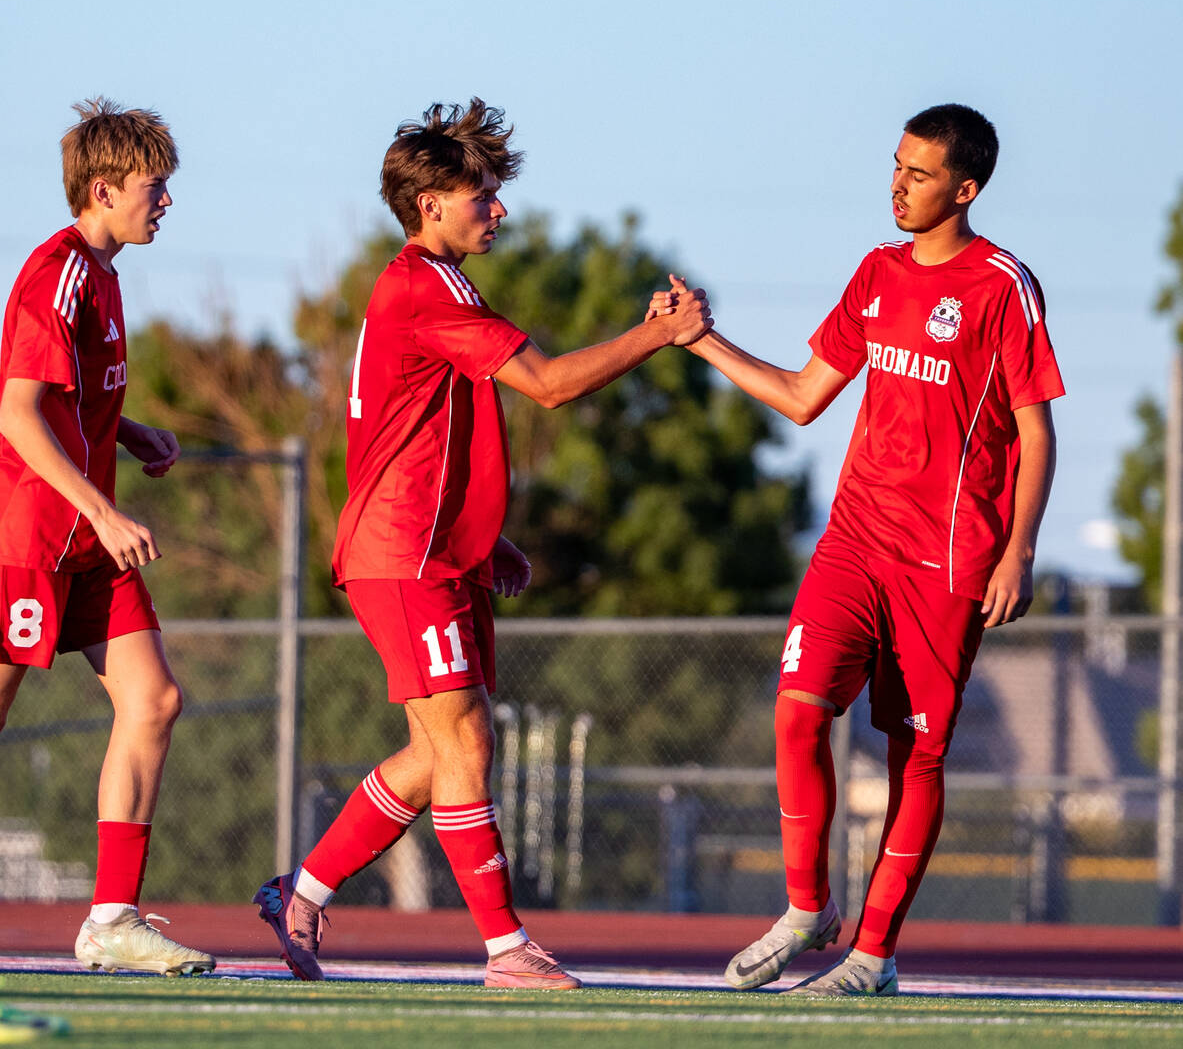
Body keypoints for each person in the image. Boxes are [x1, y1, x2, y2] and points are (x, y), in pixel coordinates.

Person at [254, 98, 711, 988]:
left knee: (439, 754)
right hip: (403, 553)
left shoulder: (436, 284)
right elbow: (543, 385)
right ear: (431, 203)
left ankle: (301, 892)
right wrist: (658, 334)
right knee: (463, 742)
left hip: (431, 547)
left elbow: (425, 424)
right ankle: (507, 949)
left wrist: (481, 533)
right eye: (483, 196)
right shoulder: (426, 285)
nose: (497, 210)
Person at [659, 104, 1062, 996]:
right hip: (853, 542)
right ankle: (808, 908)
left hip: (948, 562)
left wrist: (1017, 551)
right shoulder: (875, 274)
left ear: (965, 189)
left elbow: (1036, 435)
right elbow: (805, 396)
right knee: (798, 707)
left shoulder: (1002, 286)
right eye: (894, 166)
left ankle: (872, 955)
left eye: (918, 175)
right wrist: (701, 340)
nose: (897, 185)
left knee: (912, 756)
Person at [0, 99, 215, 976]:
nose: (165, 203)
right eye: (153, 189)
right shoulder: (58, 271)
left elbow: (67, 396)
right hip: (33, 535)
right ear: (103, 189)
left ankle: (111, 919)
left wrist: (132, 432)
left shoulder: (106, 273)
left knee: (154, 701)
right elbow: (16, 412)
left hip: (87, 540)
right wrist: (101, 506)